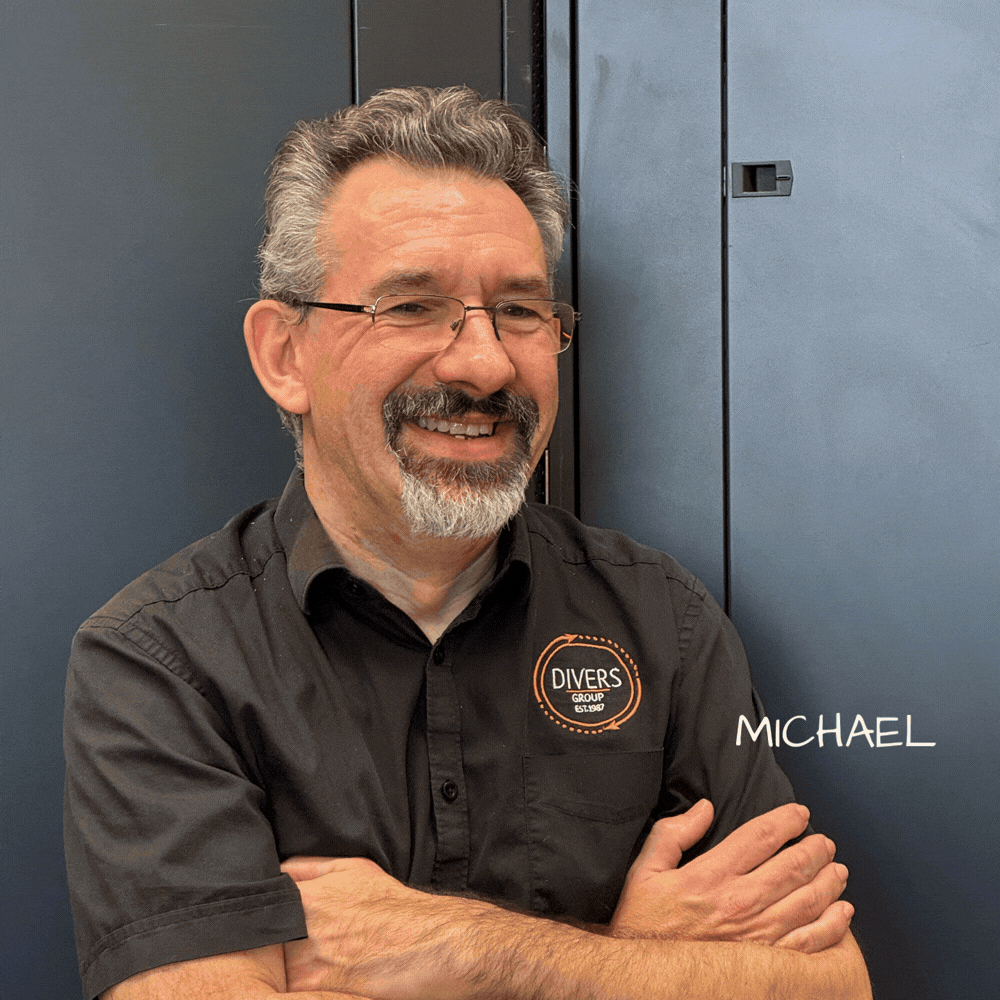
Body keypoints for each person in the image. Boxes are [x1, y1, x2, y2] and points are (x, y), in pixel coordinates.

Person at [63, 86, 871, 999]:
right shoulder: (162, 661)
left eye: (520, 311)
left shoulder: (662, 623)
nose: (484, 363)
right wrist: (637, 961)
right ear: (285, 355)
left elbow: (834, 984)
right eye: (412, 306)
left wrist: (470, 953)